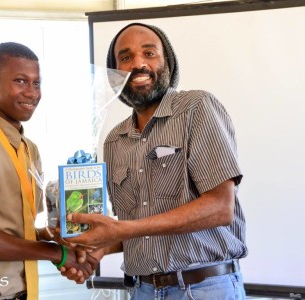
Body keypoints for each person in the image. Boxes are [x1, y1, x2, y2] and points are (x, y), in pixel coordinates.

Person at [63, 23, 248, 299]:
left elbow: (220, 208)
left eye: (149, 53)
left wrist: (122, 229)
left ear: (168, 64)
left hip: (203, 289)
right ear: (115, 76)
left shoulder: (196, 108)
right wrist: (101, 248)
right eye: (125, 58)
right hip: (142, 290)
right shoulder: (115, 141)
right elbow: (137, 229)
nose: (138, 63)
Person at [0, 42, 97, 300]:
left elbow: (12, 230)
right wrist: (56, 254)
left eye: (37, 83)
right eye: (20, 81)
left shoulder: (29, 149)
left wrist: (59, 237)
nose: (32, 93)